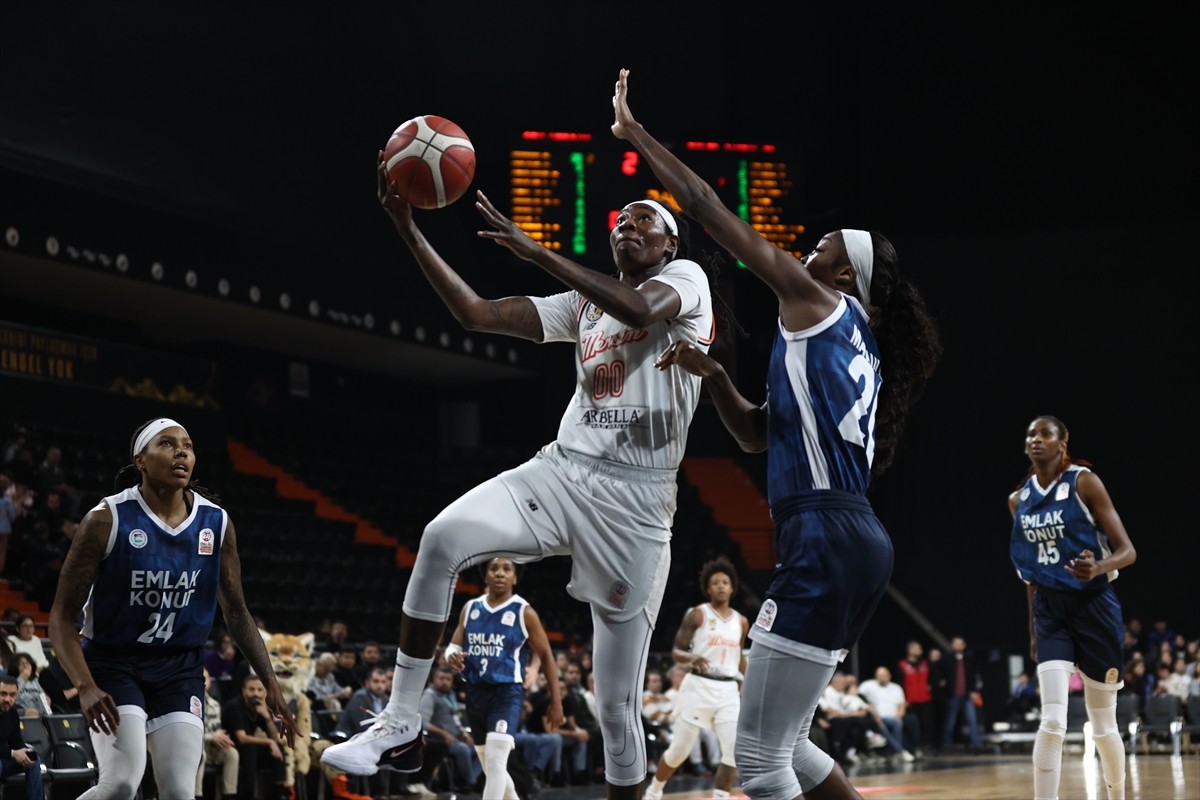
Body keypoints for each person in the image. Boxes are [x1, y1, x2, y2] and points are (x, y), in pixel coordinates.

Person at [321, 121, 722, 800]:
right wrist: (409, 230)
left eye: (644, 220)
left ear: (670, 243)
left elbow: (635, 303)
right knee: (442, 538)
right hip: (562, 471)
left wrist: (536, 251)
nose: (627, 225)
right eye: (621, 220)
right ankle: (400, 721)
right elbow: (478, 313)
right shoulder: (583, 306)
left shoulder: (686, 279)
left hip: (637, 507)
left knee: (618, 704)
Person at [613, 67, 942, 800]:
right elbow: (759, 437)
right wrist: (716, 378)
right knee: (789, 747)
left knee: (758, 761)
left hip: (823, 535)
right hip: (851, 537)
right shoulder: (851, 342)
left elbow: (704, 207)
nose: (809, 247)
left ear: (844, 275)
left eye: (824, 243)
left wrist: (637, 136)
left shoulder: (815, 297)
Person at [47, 417, 297, 800]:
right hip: (115, 664)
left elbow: (237, 611)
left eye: (188, 445)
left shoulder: (216, 522)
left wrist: (271, 683)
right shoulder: (105, 520)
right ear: (141, 461)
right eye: (167, 443)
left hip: (180, 667)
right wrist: (85, 686)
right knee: (122, 785)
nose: (182, 451)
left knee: (181, 791)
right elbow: (62, 618)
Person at [1009, 414, 1136, 800]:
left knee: (1103, 725)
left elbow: (1128, 552)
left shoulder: (1083, 481)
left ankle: (1116, 795)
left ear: (1062, 443)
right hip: (1049, 611)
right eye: (1031, 434)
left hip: (1094, 605)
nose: (1036, 439)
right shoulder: (1018, 501)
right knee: (1052, 720)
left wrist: (1098, 566)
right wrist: (1033, 632)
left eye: (1045, 434)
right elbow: (1031, 575)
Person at [444, 556, 563, 800]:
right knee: (491, 767)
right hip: (475, 693)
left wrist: (556, 702)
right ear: (485, 575)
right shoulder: (470, 609)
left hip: (506, 694)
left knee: (498, 762)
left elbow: (547, 656)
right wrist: (451, 656)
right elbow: (453, 645)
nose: (500, 573)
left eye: (507, 569)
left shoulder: (524, 612)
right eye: (494, 569)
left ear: (515, 577)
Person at [645, 555, 749, 800]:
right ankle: (654, 791)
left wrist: (745, 683)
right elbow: (676, 651)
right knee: (679, 751)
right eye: (715, 583)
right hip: (698, 686)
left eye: (725, 582)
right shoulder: (697, 614)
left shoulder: (741, 621)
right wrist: (691, 658)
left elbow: (740, 656)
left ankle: (720, 798)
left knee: (732, 751)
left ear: (732, 587)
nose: (721, 586)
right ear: (707, 588)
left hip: (728, 690)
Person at [223, 672, 291, 800]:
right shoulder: (235, 706)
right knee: (251, 749)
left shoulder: (259, 708)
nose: (256, 693)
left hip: (248, 751)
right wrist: (269, 742)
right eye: (252, 689)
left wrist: (267, 718)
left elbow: (275, 738)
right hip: (230, 747)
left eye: (260, 690)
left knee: (278, 749)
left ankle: (279, 793)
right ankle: (249, 795)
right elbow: (242, 738)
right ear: (244, 691)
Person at [421, 665, 484, 789]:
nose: (445, 682)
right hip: (439, 740)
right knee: (463, 750)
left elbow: (455, 719)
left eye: (448, 679)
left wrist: (464, 733)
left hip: (457, 737)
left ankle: (469, 780)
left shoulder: (450, 695)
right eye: (441, 678)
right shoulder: (429, 695)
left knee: (483, 750)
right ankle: (471, 783)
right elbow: (423, 722)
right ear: (433, 679)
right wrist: (444, 734)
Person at [197, 667, 239, 800]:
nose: (203, 682)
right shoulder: (185, 702)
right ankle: (196, 795)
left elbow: (216, 729)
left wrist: (222, 739)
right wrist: (211, 737)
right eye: (200, 678)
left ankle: (229, 795)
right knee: (200, 754)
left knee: (232, 753)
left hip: (209, 747)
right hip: (190, 748)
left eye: (206, 679)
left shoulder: (214, 705)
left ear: (210, 682)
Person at [0, 674, 44, 797]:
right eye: (3, 694)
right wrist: (13, 754)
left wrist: (24, 752)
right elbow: (12, 751)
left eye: (12, 695)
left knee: (33, 760)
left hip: (4, 758)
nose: (7, 699)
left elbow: (16, 742)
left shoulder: (12, 712)